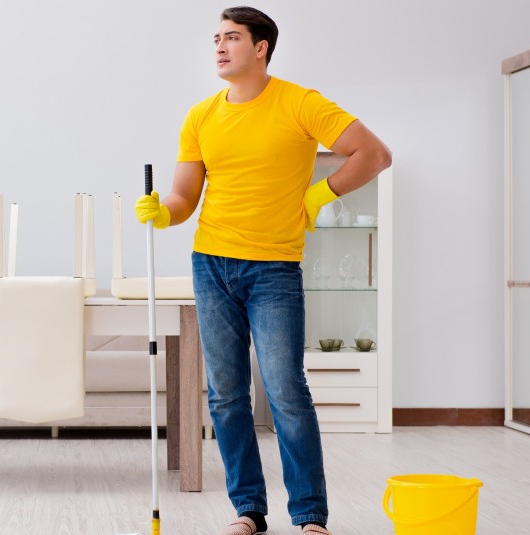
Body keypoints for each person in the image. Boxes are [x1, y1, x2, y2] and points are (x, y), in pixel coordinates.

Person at [135, 6, 391, 535]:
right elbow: (186, 195)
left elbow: (373, 153)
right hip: (212, 265)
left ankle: (310, 516)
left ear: (261, 48)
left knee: (285, 392)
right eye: (216, 39)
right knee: (226, 396)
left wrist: (321, 193)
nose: (221, 47)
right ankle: (248, 511)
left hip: (274, 268)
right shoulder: (202, 115)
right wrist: (163, 211)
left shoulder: (299, 102)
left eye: (232, 38)